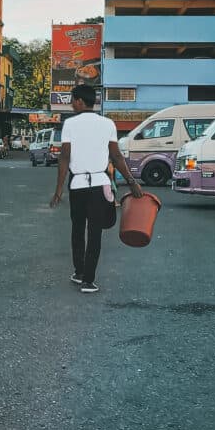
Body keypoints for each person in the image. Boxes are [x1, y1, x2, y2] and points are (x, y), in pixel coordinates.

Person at [50, 84, 143, 294]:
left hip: (78, 186)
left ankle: (79, 272)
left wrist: (58, 190)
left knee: (77, 230)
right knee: (95, 233)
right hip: (100, 185)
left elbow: (64, 158)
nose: (71, 104)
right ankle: (88, 281)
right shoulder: (107, 123)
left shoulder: (70, 124)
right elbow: (117, 157)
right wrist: (131, 181)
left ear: (81, 101)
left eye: (72, 100)